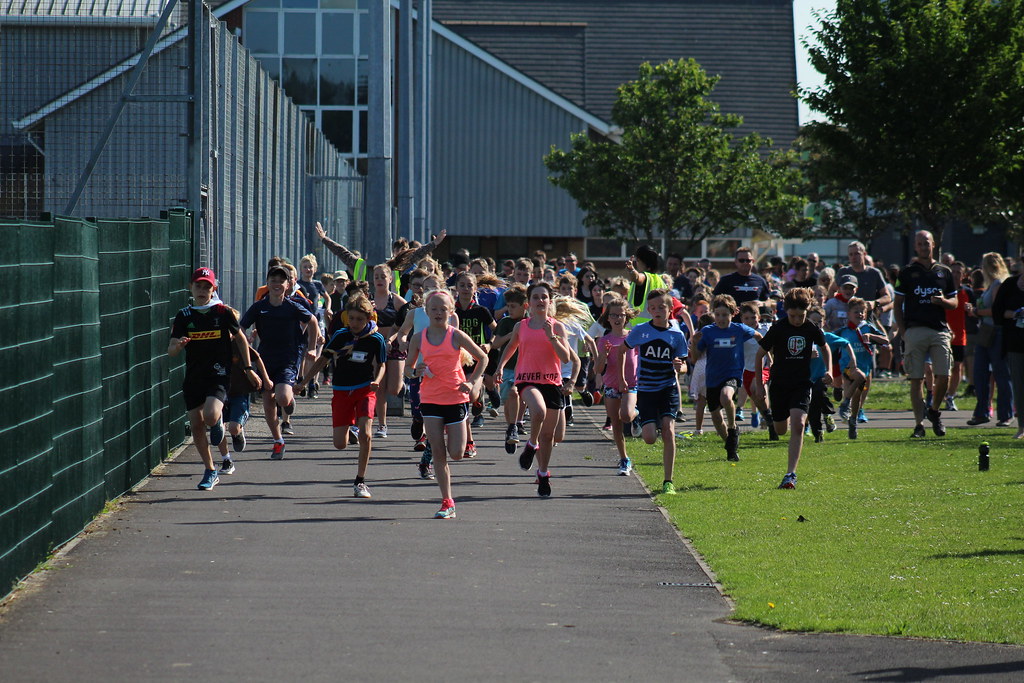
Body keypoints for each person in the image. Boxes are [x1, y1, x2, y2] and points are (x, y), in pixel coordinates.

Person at [168, 267, 259, 490]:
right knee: (197, 425)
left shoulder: (222, 312)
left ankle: (217, 420)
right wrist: (178, 346)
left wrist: (248, 368)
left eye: (207, 286)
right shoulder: (184, 316)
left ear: (213, 289)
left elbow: (240, 338)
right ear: (191, 287)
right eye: (198, 286)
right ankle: (210, 470)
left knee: (209, 414)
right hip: (194, 376)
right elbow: (171, 349)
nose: (202, 290)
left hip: (219, 373)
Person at [406, 290, 488, 517]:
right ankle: (447, 502)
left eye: (443, 309)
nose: (438, 313)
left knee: (456, 454)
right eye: (434, 309)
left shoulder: (456, 336)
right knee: (439, 454)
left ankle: (463, 430)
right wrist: (415, 371)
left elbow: (484, 357)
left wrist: (472, 383)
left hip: (455, 399)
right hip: (430, 399)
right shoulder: (418, 338)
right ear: (426, 311)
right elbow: (407, 368)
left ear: (451, 312)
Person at [296, 295, 386, 498]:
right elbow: (322, 361)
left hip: (365, 389)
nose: (354, 323)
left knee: (366, 434)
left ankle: (360, 481)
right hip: (342, 390)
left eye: (359, 319)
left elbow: (381, 364)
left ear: (368, 318)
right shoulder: (340, 335)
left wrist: (377, 380)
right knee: (340, 444)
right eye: (351, 318)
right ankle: (351, 425)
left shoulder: (376, 338)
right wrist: (304, 381)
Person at [495, 282, 573, 498]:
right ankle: (531, 443)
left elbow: (565, 357)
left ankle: (543, 473)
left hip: (552, 383)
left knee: (549, 436)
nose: (540, 301)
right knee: (537, 411)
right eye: (536, 297)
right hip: (526, 380)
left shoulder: (557, 327)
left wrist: (552, 336)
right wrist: (501, 366)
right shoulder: (522, 326)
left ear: (550, 301)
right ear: (529, 303)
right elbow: (511, 347)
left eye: (544, 297)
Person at [754, 287, 832, 490]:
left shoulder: (810, 328)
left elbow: (825, 347)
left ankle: (790, 475)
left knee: (798, 424)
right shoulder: (778, 328)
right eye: (793, 316)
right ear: (785, 311)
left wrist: (829, 370)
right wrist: (759, 383)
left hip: (801, 383)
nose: (797, 320)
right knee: (780, 430)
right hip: (779, 384)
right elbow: (759, 354)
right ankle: (775, 417)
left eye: (801, 316)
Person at [239, 265, 319, 459]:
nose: (277, 284)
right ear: (267, 283)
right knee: (268, 399)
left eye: (281, 281)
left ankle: (289, 400)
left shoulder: (292, 306)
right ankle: (278, 441)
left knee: (282, 397)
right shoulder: (260, 307)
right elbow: (240, 327)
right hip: (266, 359)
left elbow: (313, 322)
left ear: (288, 284)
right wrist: (246, 342)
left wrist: (311, 347)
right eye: (273, 280)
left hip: (288, 358)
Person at [893, 230, 957, 439]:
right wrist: (903, 332)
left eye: (926, 243)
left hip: (939, 329)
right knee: (916, 379)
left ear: (933, 244)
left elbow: (954, 302)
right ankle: (919, 424)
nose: (923, 246)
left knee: (944, 374)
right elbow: (898, 304)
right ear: (915, 246)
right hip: (915, 329)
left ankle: (935, 411)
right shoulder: (907, 272)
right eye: (919, 243)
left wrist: (943, 302)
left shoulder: (944, 272)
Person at [624, 289, 689, 495]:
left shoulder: (677, 335)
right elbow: (622, 350)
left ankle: (668, 481)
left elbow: (684, 364)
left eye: (662, 307)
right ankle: (640, 418)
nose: (657, 310)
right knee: (650, 438)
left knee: (668, 430)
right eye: (653, 308)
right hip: (646, 389)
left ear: (670, 309)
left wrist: (681, 367)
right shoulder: (641, 331)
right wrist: (623, 377)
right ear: (649, 311)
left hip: (668, 388)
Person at [691, 295, 758, 461]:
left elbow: (758, 335)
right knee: (715, 416)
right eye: (718, 315)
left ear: (733, 313)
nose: (721, 319)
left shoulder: (739, 329)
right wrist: (694, 342)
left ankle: (733, 427)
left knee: (726, 396)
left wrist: (767, 354)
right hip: (713, 377)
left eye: (725, 315)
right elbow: (695, 357)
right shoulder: (707, 332)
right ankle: (730, 445)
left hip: (732, 374)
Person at [593, 297, 639, 475]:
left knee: (626, 415)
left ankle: (637, 414)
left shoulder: (633, 337)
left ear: (626, 316)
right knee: (617, 425)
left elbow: (640, 360)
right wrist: (603, 354)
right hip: (611, 385)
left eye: (621, 315)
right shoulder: (604, 340)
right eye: (614, 315)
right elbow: (598, 368)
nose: (618, 318)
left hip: (630, 384)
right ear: (608, 318)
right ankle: (624, 459)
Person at [967, 253, 1013, 427]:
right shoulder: (990, 286)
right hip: (985, 331)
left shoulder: (998, 284)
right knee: (980, 373)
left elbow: (996, 311)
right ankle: (982, 412)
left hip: (997, 332)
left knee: (1001, 374)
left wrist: (977, 311)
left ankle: (1006, 414)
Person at [835, 297, 888, 438]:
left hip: (865, 366)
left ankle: (853, 421)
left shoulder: (868, 327)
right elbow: (830, 340)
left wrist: (871, 337)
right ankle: (845, 403)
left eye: (862, 312)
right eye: (856, 311)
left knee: (857, 397)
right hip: (847, 367)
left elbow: (886, 340)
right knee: (853, 386)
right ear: (848, 314)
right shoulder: (844, 331)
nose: (859, 314)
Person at [491, 284, 528, 453]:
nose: (509, 310)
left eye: (513, 307)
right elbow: (495, 344)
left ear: (524, 306)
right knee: (508, 400)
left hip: (526, 367)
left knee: (516, 394)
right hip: (508, 368)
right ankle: (510, 427)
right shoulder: (506, 322)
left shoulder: (529, 322)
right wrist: (511, 335)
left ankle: (514, 425)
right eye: (508, 306)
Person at [990, 264, 1024, 439]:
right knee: (1018, 385)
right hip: (1015, 343)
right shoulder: (1010, 285)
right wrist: (1014, 314)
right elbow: (998, 311)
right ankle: (1022, 427)